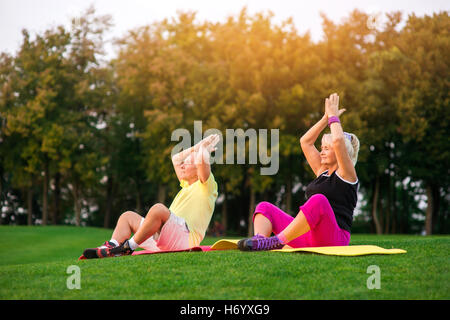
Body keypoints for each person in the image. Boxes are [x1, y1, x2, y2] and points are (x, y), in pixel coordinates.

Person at [238, 93, 360, 251]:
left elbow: (337, 141)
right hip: (310, 237)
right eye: (322, 148)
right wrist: (325, 118)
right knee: (264, 207)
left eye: (327, 149)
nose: (321, 152)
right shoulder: (322, 171)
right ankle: (260, 241)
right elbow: (306, 142)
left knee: (319, 201)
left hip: (334, 239)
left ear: (339, 152)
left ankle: (276, 241)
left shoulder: (347, 175)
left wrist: (333, 117)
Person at [82, 134, 220, 258]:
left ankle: (127, 247)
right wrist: (197, 146)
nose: (182, 166)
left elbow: (202, 160)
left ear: (198, 170)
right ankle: (111, 247)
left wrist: (203, 148)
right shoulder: (186, 185)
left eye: (188, 163)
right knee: (128, 216)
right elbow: (176, 158)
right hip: (166, 238)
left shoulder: (206, 186)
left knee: (158, 209)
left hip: (185, 240)